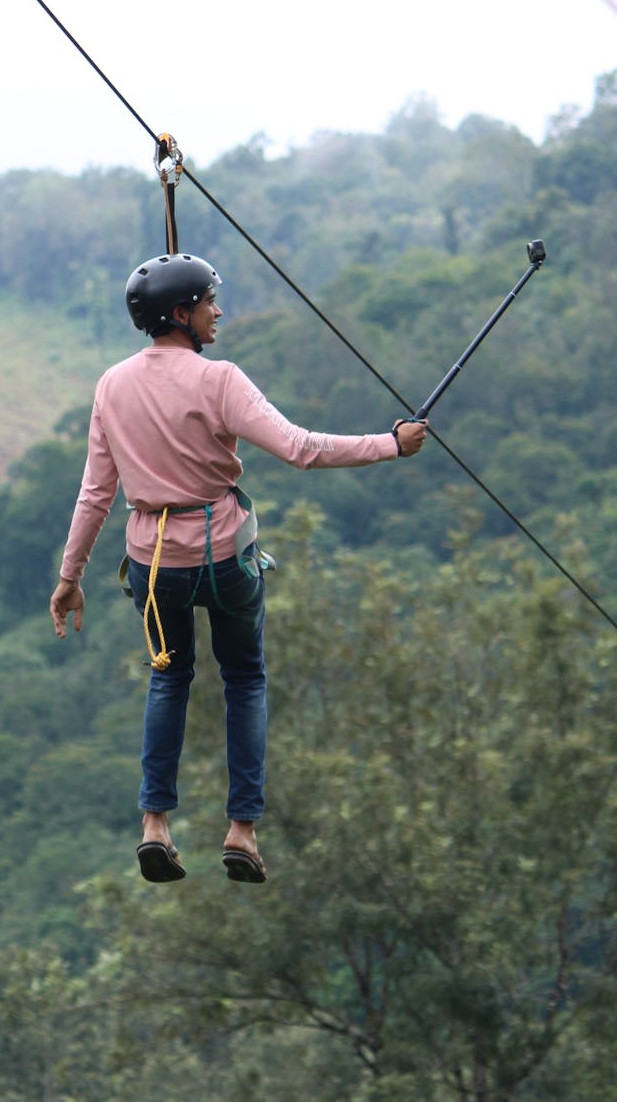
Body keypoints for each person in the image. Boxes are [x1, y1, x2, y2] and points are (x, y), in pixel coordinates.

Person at [49, 253, 427, 885]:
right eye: (207, 301)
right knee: (245, 679)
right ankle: (242, 831)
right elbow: (301, 449)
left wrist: (70, 577)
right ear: (181, 313)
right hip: (222, 555)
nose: (217, 310)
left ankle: (155, 826)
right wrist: (390, 444)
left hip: (153, 561)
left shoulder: (111, 385)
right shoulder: (219, 380)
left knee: (167, 678)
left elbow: (97, 492)